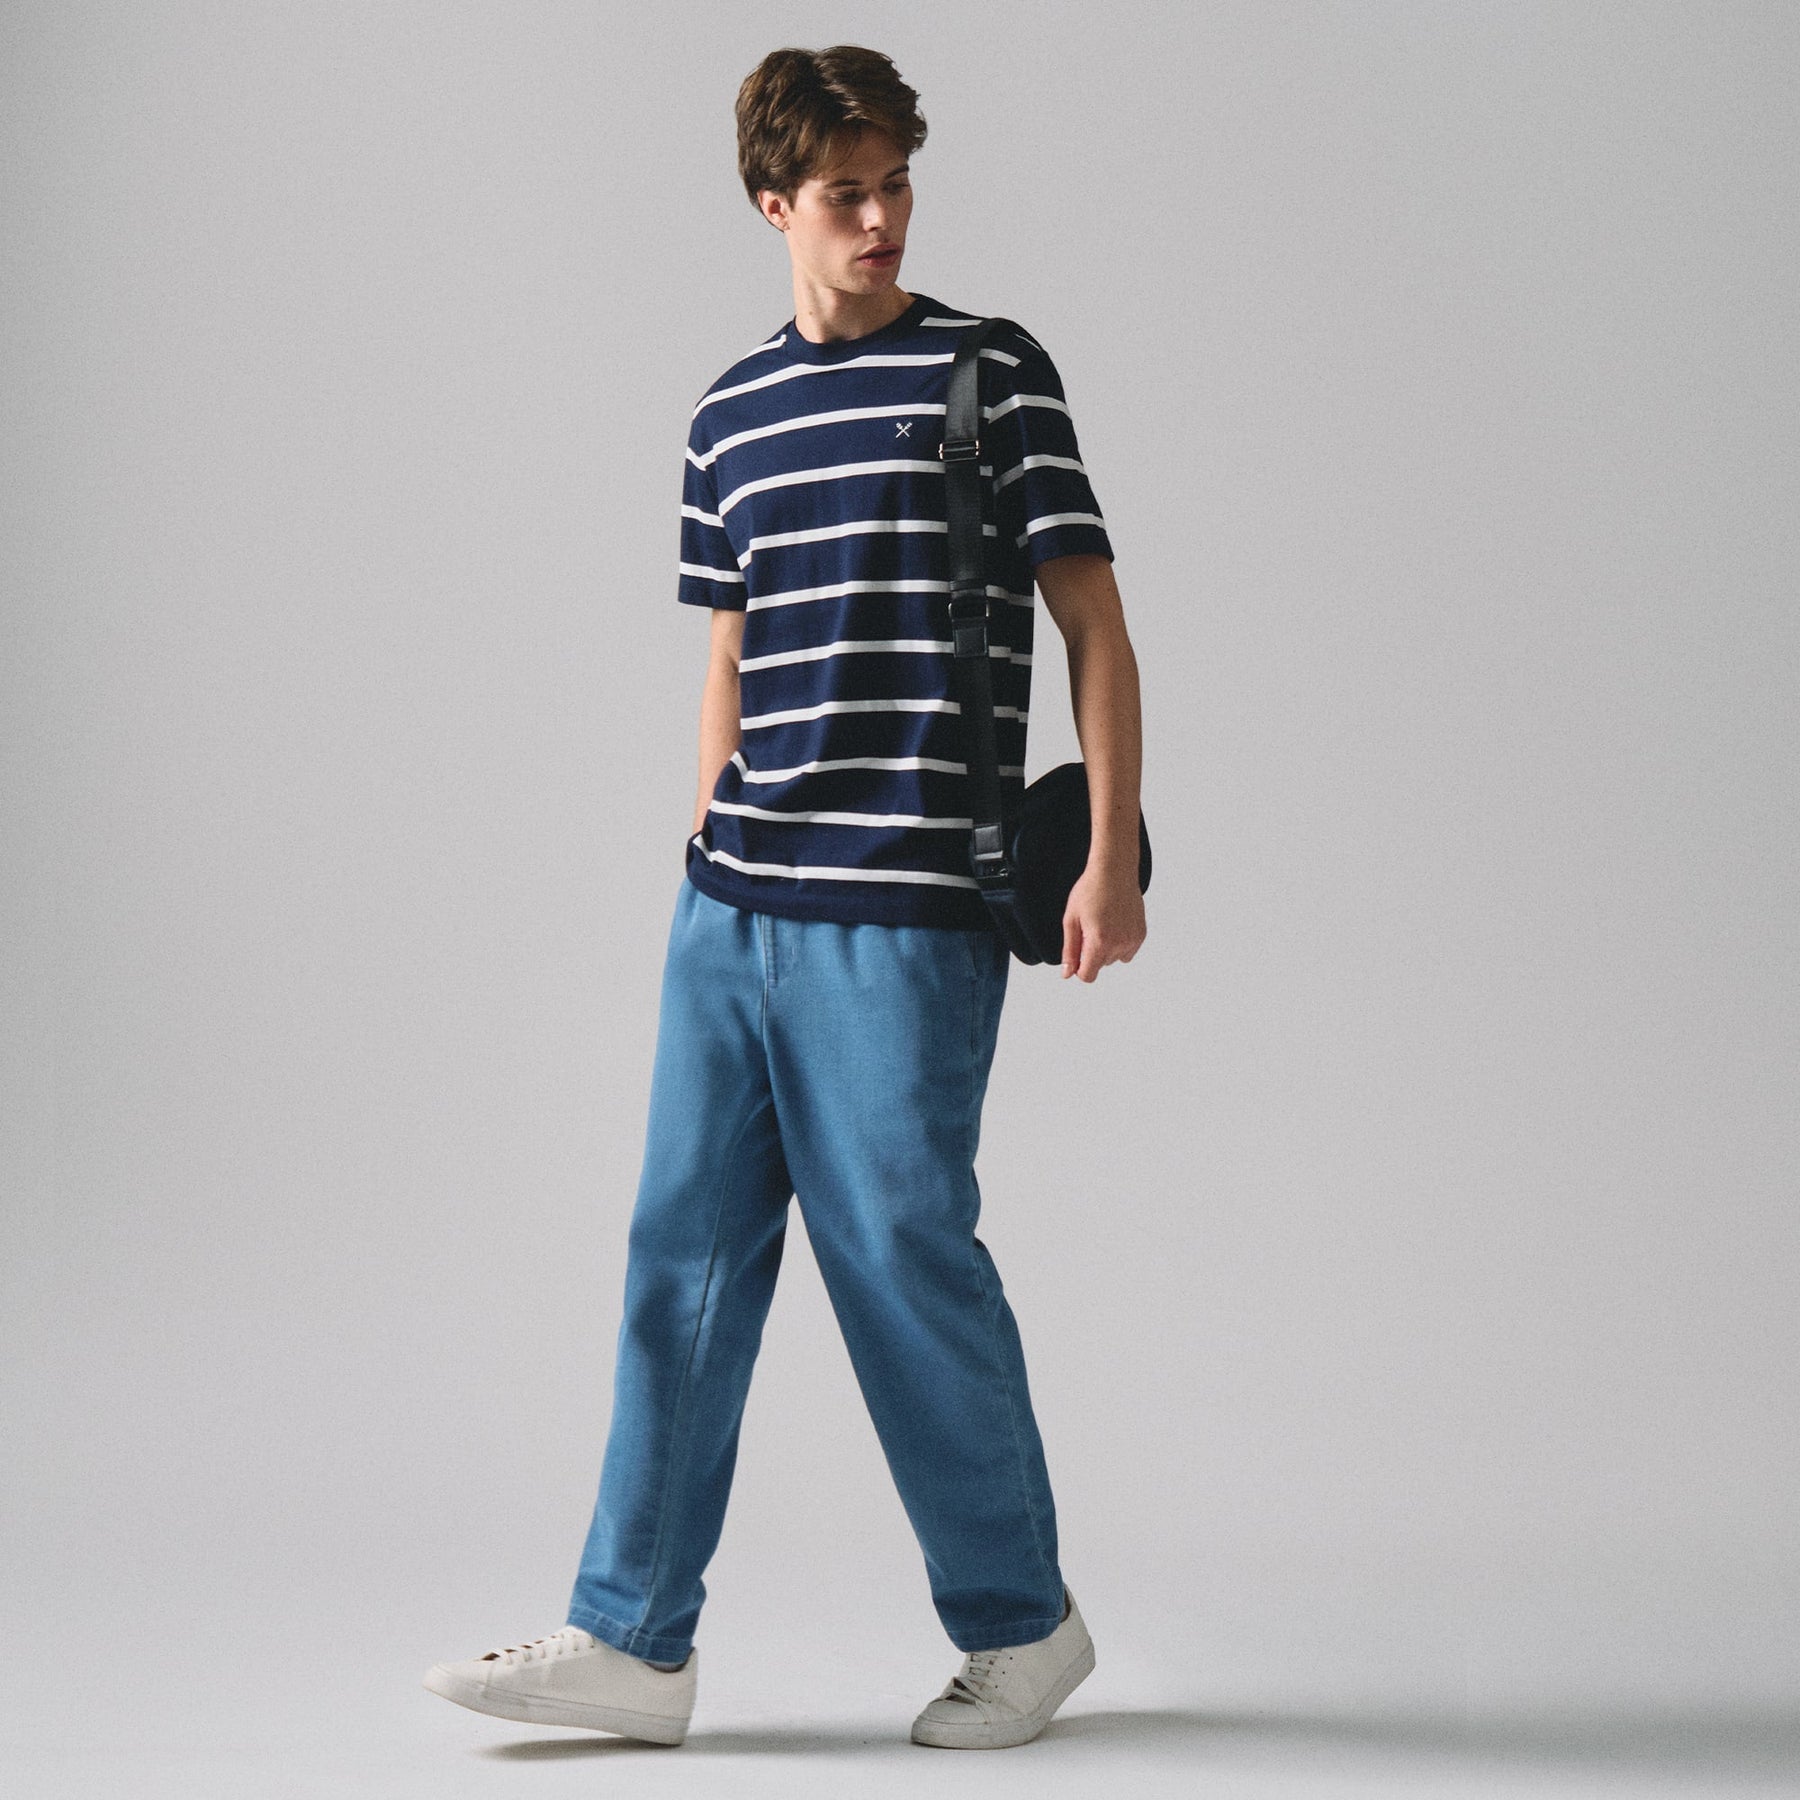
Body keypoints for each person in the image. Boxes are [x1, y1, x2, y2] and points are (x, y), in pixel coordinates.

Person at [423, 43, 1146, 1752]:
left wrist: (1110, 850)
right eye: (846, 194)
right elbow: (729, 656)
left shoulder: (990, 373)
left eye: (897, 185)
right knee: (679, 1255)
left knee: (899, 1254)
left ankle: (1023, 1626)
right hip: (731, 908)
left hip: (906, 910)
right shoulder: (728, 414)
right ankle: (633, 1641)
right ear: (774, 205)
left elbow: (1095, 624)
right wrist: (704, 847)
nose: (882, 218)